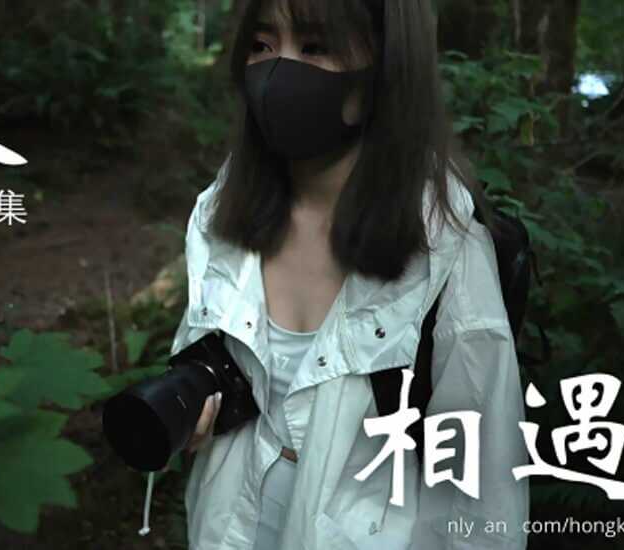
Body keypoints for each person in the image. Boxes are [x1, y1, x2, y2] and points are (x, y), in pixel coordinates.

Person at [166, 0, 530, 549]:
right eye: (262, 46)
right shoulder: (220, 212)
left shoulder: (443, 243)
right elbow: (202, 362)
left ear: (385, 70)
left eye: (316, 47)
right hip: (227, 528)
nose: (278, 71)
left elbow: (481, 485)